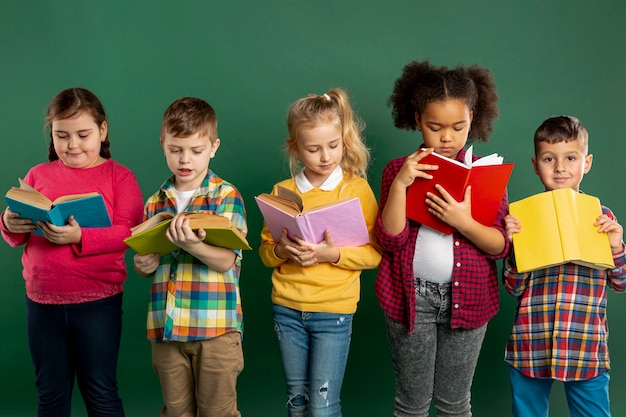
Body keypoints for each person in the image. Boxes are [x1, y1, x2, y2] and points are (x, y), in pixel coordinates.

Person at [375, 60, 510, 417]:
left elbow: (500, 247)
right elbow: (389, 240)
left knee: (455, 403)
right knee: (411, 402)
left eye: (458, 127)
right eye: (435, 127)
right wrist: (402, 184)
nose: (446, 137)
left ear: (473, 119)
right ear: (417, 119)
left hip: (470, 299)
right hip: (410, 298)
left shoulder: (487, 173)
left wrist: (461, 221)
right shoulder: (396, 170)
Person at [0, 87, 144, 416]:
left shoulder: (119, 176)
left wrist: (80, 237)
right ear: (51, 134)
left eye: (83, 134)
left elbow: (129, 233)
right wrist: (9, 222)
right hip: (42, 301)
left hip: (98, 302)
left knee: (100, 391)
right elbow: (16, 232)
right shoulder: (38, 174)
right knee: (50, 392)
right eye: (62, 136)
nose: (72, 145)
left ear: (102, 130)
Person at [259, 88, 382, 417]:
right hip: (286, 309)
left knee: (324, 406)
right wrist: (283, 249)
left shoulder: (355, 189)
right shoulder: (282, 192)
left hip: (333, 312)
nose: (325, 157)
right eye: (313, 149)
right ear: (296, 149)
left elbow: (375, 254)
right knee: (296, 402)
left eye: (333, 146)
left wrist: (333, 254)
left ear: (344, 140)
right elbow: (265, 253)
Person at [503, 115, 626, 417]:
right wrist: (515, 248)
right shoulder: (523, 218)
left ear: (587, 163)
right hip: (532, 342)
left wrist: (616, 247)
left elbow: (621, 284)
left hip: (585, 344)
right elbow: (513, 287)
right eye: (549, 158)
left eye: (571, 158)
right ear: (535, 165)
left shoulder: (603, 216)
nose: (560, 168)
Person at [133, 97, 247, 417]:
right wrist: (143, 265)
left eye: (196, 151)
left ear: (213, 147)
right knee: (176, 411)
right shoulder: (155, 201)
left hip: (216, 329)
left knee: (217, 412)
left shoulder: (226, 196)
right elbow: (145, 260)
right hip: (166, 329)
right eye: (175, 150)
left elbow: (228, 261)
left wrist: (194, 246)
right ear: (163, 144)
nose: (185, 159)